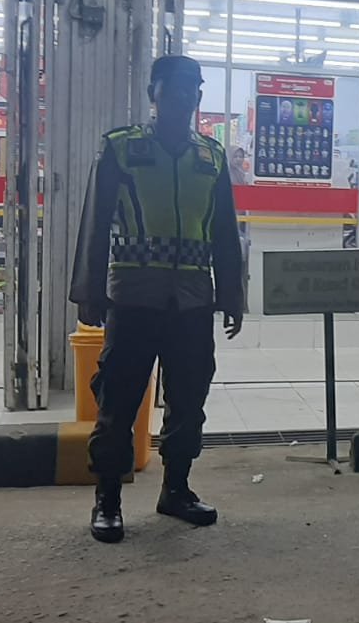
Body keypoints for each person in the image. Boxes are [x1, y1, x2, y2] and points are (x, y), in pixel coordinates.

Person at [70, 55, 245, 544]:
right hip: (134, 298)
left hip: (192, 301)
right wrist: (89, 291)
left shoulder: (211, 157)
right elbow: (95, 222)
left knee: (189, 400)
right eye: (175, 89)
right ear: (154, 93)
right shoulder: (121, 148)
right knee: (118, 400)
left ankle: (176, 490)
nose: (185, 98)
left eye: (193, 90)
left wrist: (232, 294)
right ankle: (107, 499)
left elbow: (225, 231)